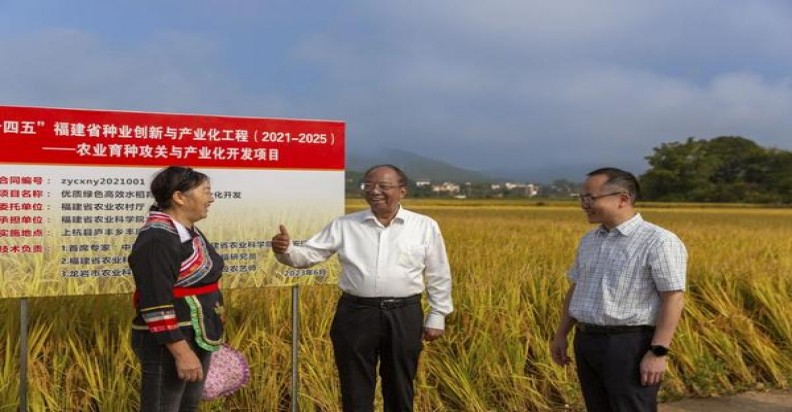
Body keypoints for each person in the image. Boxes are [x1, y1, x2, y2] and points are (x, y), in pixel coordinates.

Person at [271, 164, 453, 412]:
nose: (374, 191)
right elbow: (308, 255)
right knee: (354, 386)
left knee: (400, 384)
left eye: (383, 186)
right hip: (356, 314)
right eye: (368, 186)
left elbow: (438, 273)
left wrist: (438, 314)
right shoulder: (345, 225)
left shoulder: (424, 226)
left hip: (404, 314)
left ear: (402, 191)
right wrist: (286, 251)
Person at [550, 167, 687, 412]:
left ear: (622, 199)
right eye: (581, 198)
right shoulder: (590, 240)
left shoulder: (659, 241)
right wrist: (561, 334)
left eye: (590, 198)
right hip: (586, 340)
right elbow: (577, 288)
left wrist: (658, 351)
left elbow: (673, 298)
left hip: (629, 343)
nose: (584, 204)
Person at [129, 166, 225, 411]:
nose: (211, 199)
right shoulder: (157, 239)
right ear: (179, 197)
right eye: (205, 192)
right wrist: (181, 352)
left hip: (196, 333)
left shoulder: (185, 232)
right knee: (164, 406)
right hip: (170, 341)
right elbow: (154, 302)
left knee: (187, 406)